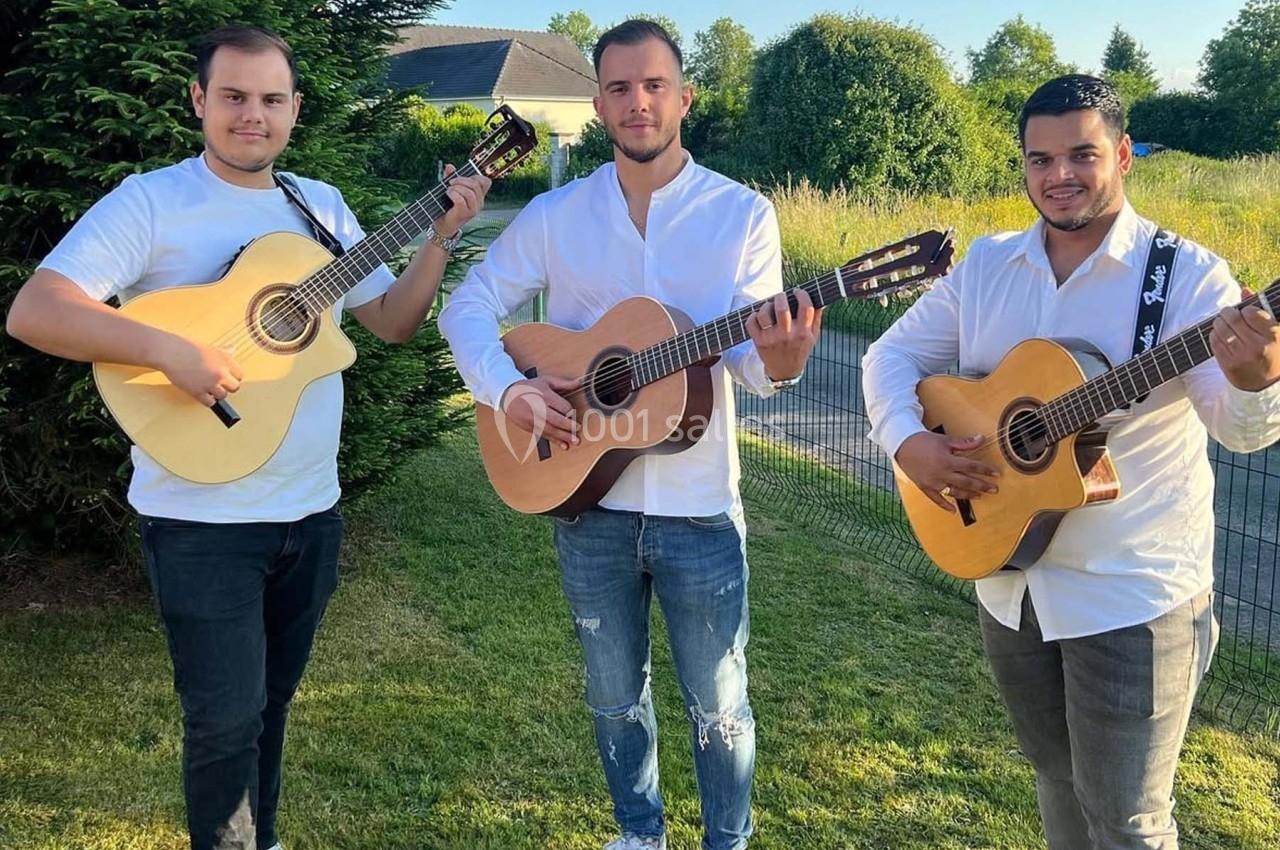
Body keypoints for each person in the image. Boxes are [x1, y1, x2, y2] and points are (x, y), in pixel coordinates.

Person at [5, 24, 490, 850]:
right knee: (225, 726)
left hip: (311, 515)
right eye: (233, 97)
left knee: (268, 712)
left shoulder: (319, 206)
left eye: (271, 100)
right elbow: (36, 310)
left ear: (296, 109)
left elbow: (392, 320)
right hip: (199, 522)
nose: (251, 116)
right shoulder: (152, 200)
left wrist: (440, 233)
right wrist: (167, 349)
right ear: (200, 101)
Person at [862, 74, 1280, 849]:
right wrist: (909, 442)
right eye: (1039, 159)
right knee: (1056, 784)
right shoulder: (986, 267)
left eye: (1082, 155)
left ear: (1123, 155)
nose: (1060, 175)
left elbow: (1243, 431)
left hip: (1134, 597)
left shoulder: (1186, 278)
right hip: (1009, 581)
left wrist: (1257, 379)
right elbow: (891, 355)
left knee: (1128, 821)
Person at [437, 19, 821, 850]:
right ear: (599, 103)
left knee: (720, 704)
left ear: (683, 97)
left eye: (653, 85)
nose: (637, 102)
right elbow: (464, 303)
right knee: (613, 695)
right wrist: (508, 390)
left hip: (700, 509)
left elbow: (754, 368)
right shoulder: (556, 214)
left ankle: (728, 841)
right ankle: (639, 835)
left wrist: (784, 360)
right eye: (619, 87)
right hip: (586, 502)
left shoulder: (741, 215)